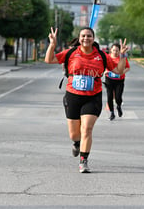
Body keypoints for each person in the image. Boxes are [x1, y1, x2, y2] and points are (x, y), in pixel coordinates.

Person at [45, 27, 128, 173]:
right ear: (79, 37)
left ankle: (84, 161)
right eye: (83, 36)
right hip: (73, 96)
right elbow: (49, 60)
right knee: (74, 134)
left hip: (93, 96)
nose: (86, 38)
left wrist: (122, 55)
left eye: (89, 36)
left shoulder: (101, 56)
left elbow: (119, 70)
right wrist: (52, 44)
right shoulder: (71, 53)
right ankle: (77, 143)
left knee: (87, 129)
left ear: (93, 38)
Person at [105, 43, 130, 121]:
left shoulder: (122, 58)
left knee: (118, 97)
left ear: (119, 51)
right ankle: (112, 113)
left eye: (117, 50)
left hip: (119, 80)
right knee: (109, 97)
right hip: (109, 79)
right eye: (114, 50)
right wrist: (105, 71)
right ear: (111, 50)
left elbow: (128, 67)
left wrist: (121, 72)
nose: (115, 52)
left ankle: (118, 106)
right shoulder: (107, 57)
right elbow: (103, 66)